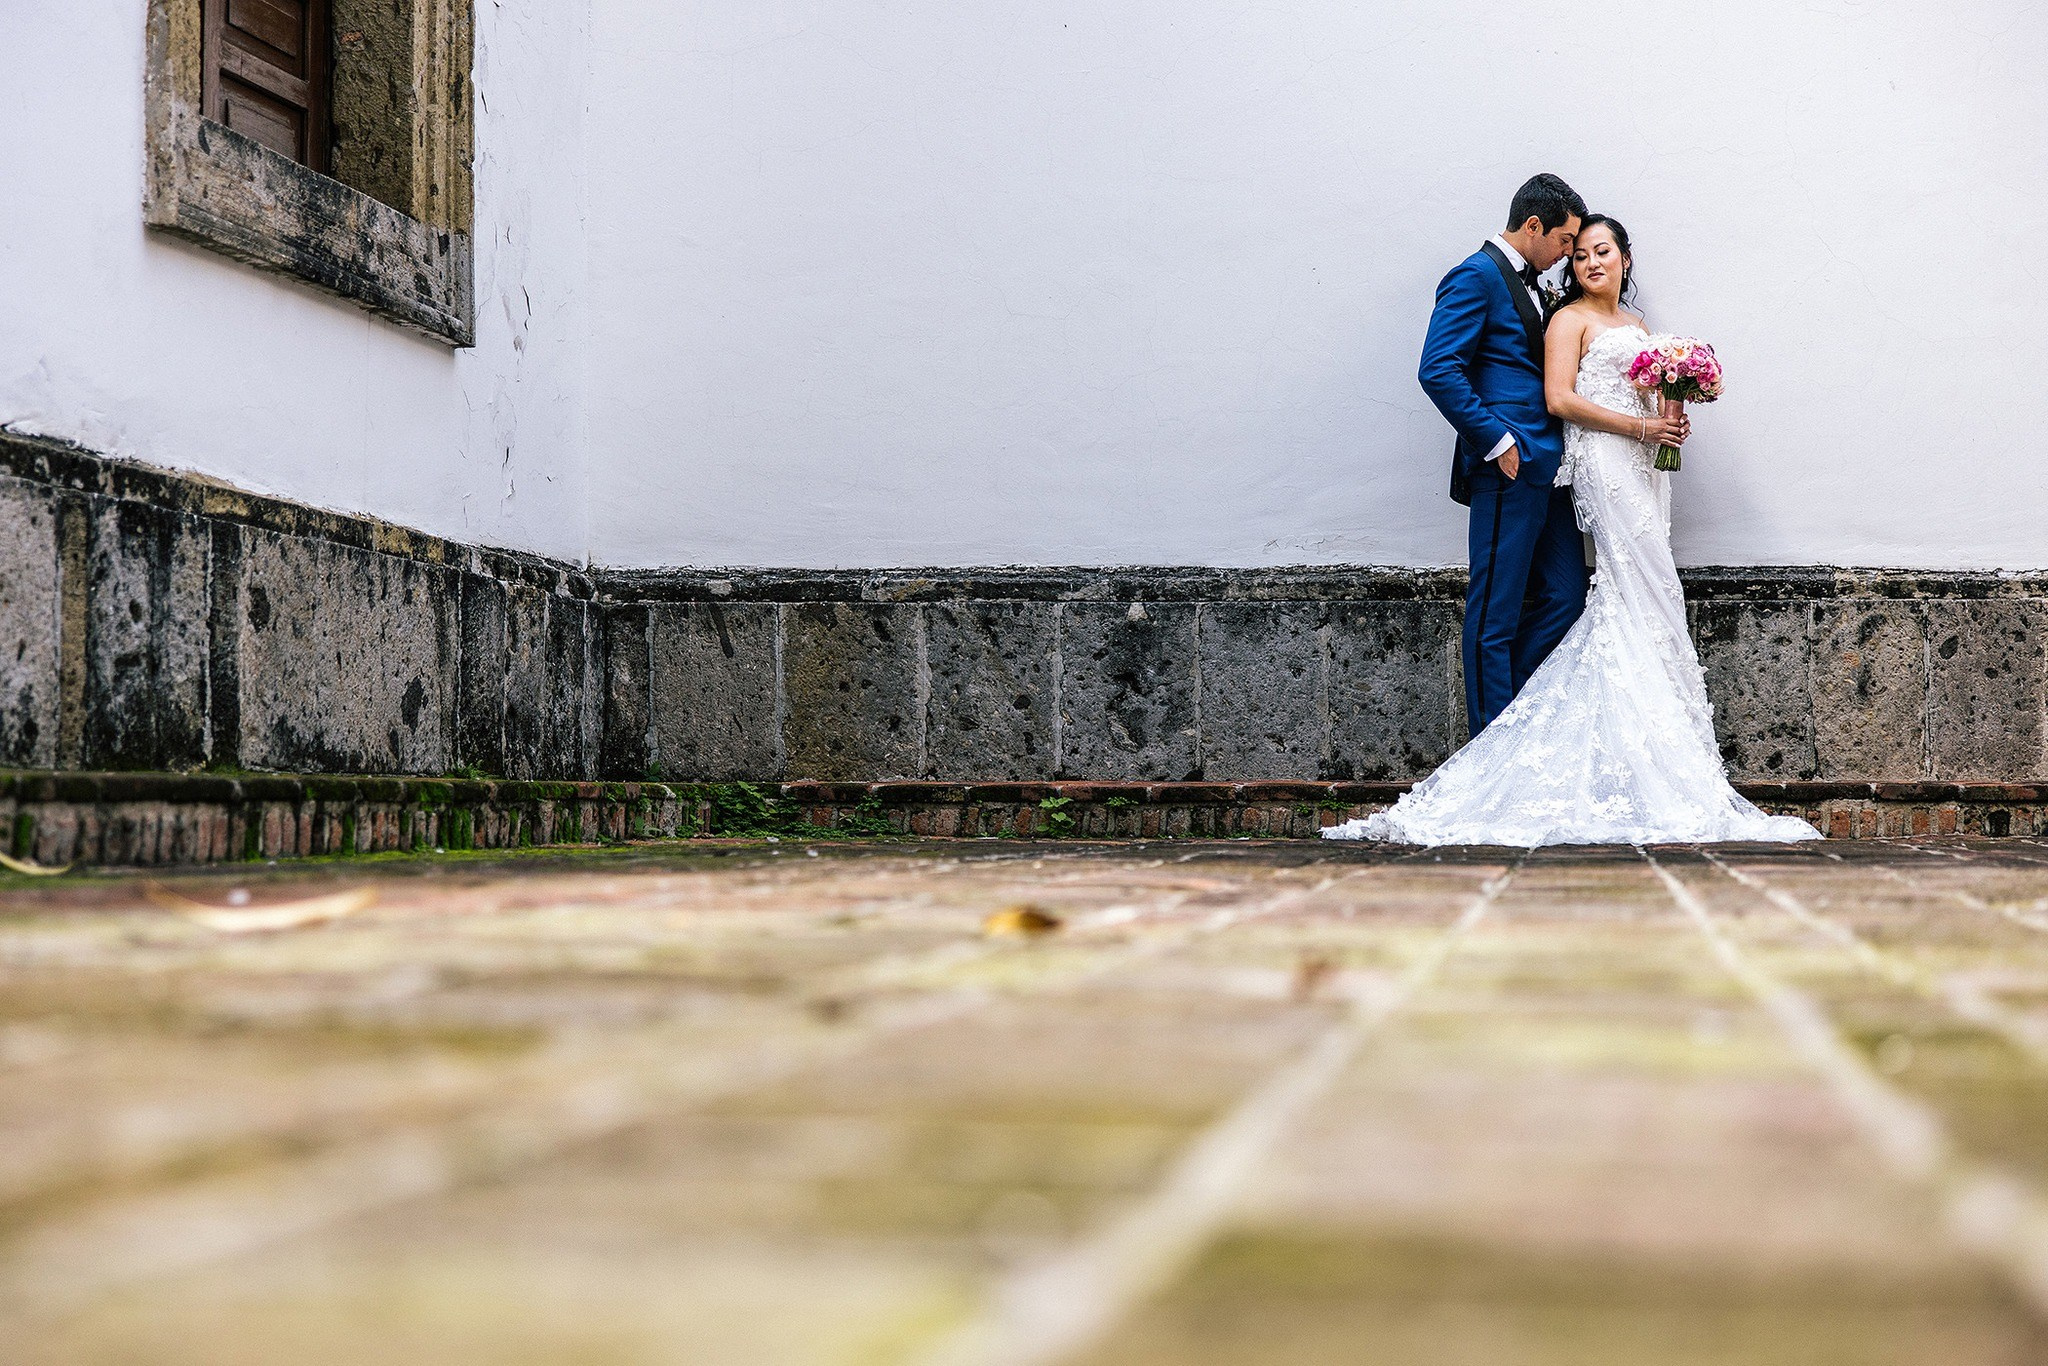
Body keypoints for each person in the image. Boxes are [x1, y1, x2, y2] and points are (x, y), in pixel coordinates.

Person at [1328, 215, 1820, 847]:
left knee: (1579, 597)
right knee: (1514, 604)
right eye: (1574, 248)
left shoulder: (1635, 327)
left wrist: (1671, 411)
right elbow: (1525, 390)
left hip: (1623, 470)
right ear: (1544, 233)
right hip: (1562, 462)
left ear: (1625, 258)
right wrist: (1519, 439)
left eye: (1598, 250)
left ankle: (1542, 724)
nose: (1583, 259)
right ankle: (1496, 749)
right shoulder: (1540, 306)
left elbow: (1643, 395)